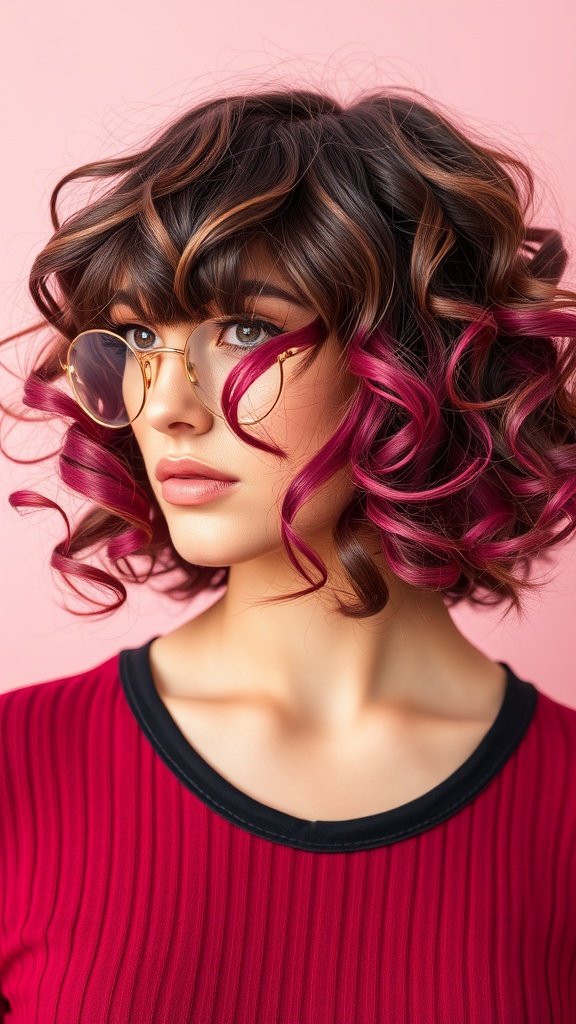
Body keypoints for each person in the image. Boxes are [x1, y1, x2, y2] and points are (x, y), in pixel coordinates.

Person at [1, 84, 576, 1022]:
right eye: (140, 338)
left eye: (245, 331)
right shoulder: (18, 774)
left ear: (410, 356)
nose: (168, 406)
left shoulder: (563, 815)